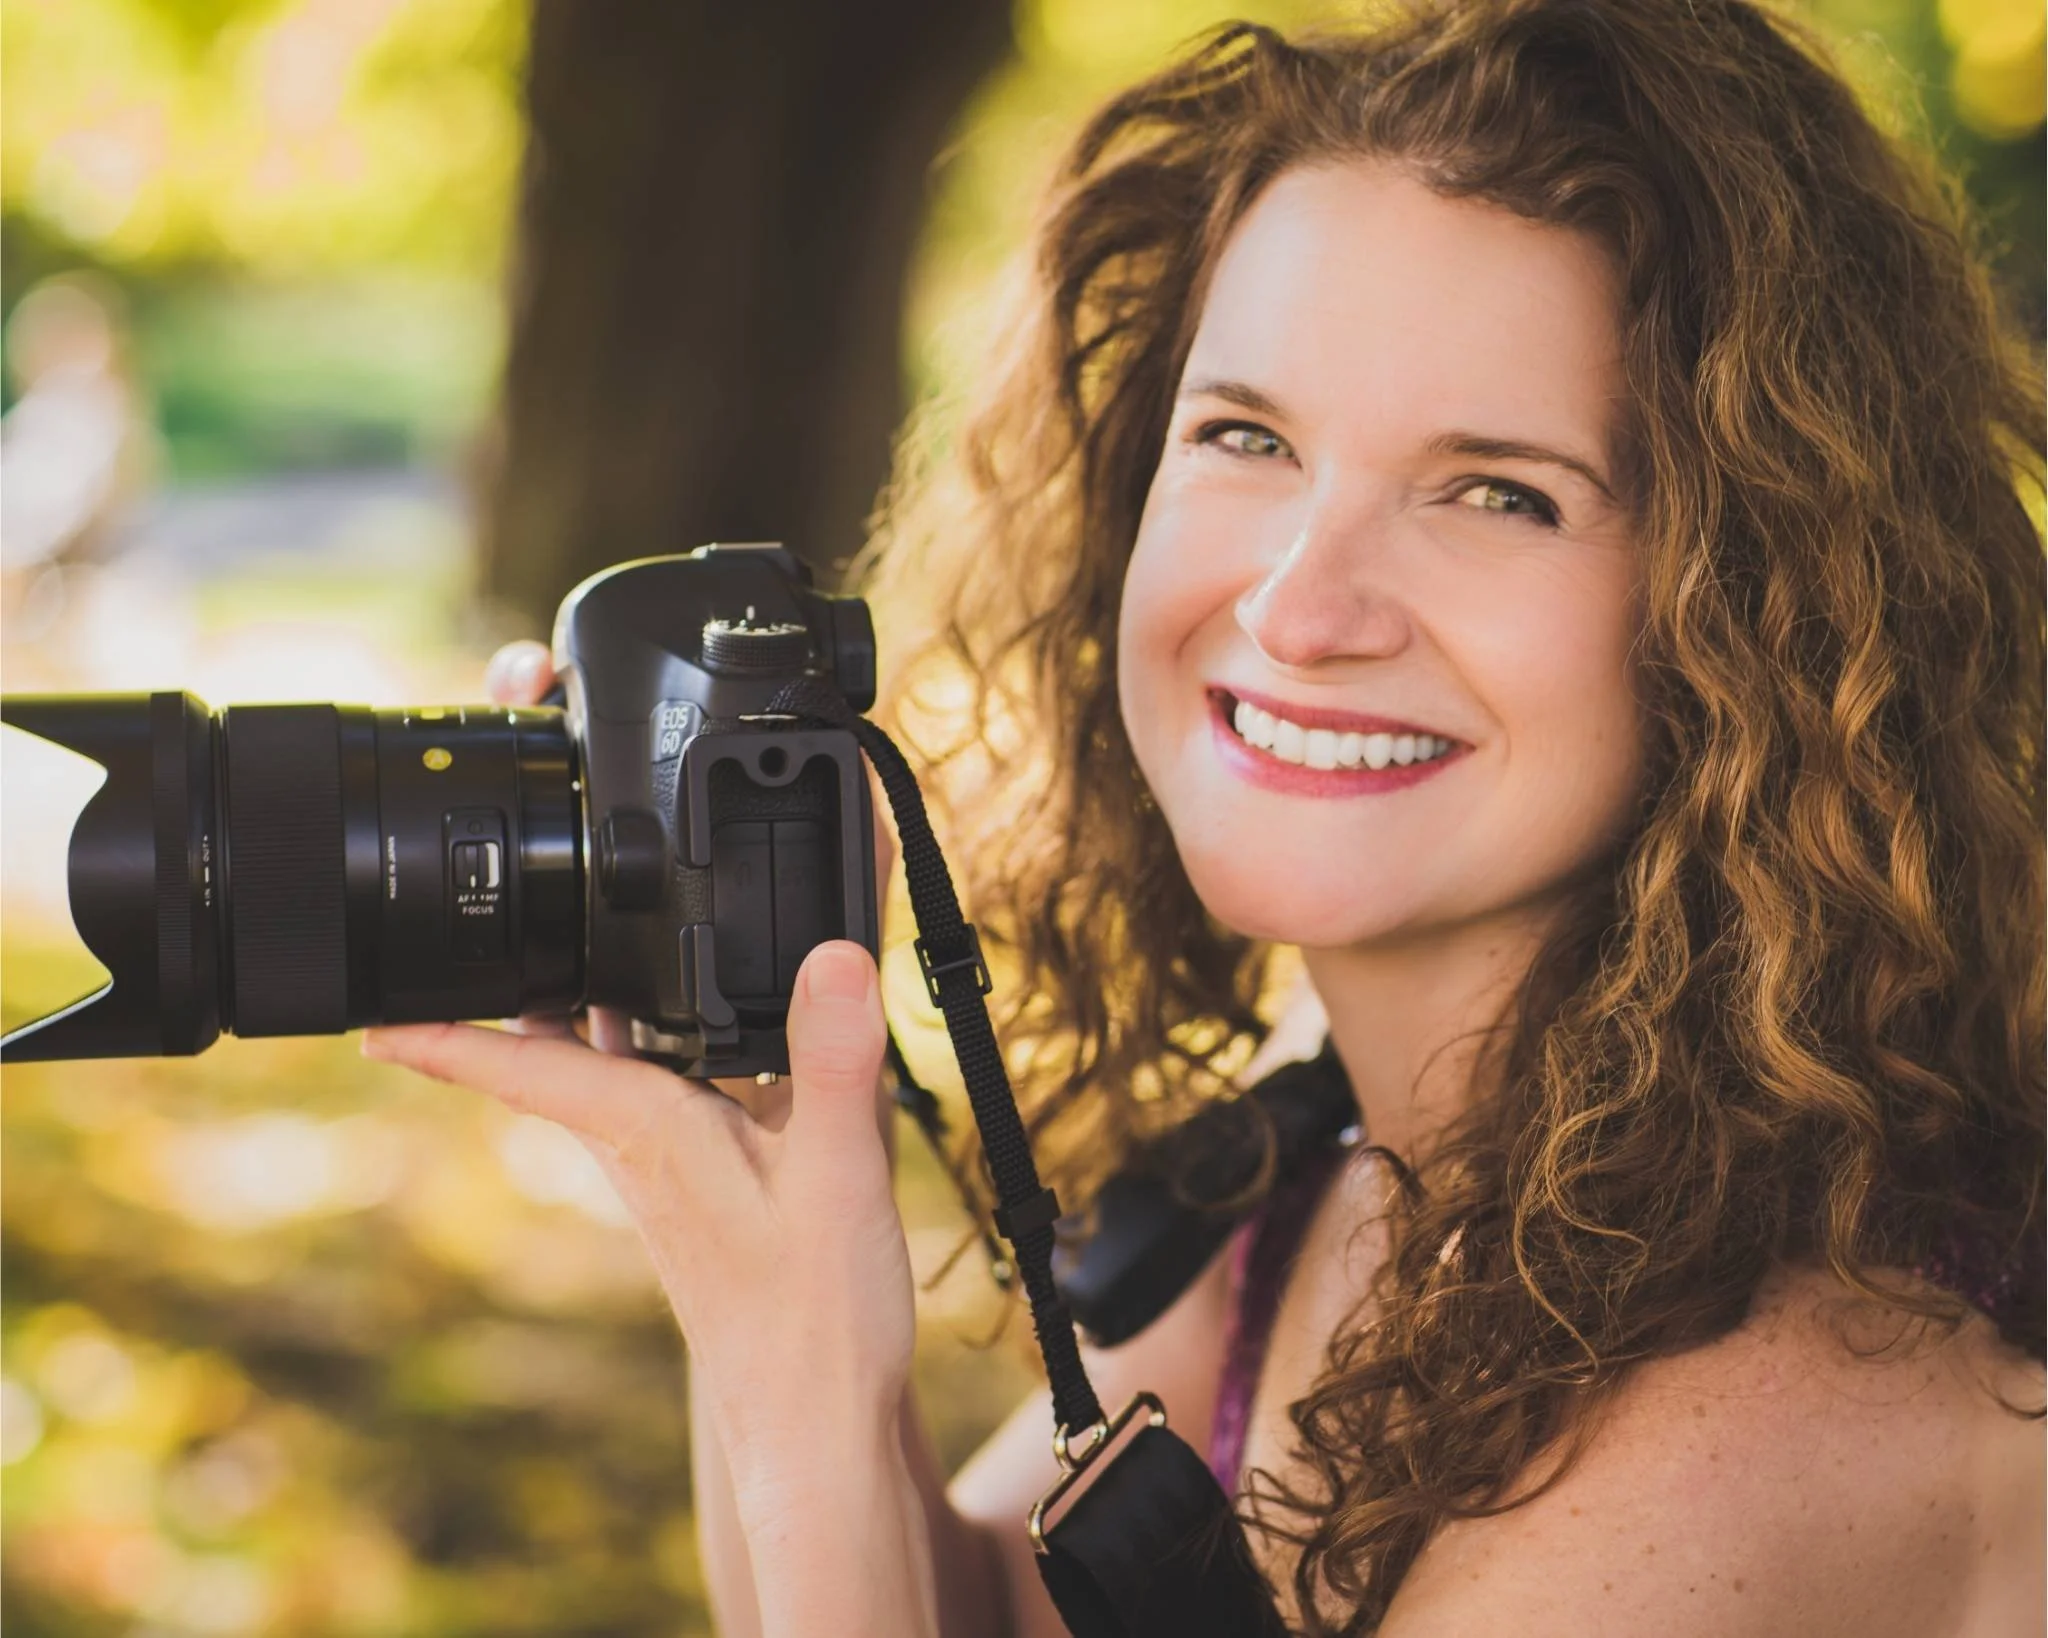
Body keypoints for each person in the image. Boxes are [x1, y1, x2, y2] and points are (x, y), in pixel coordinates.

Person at [362, 0, 2047, 1631]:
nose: (1305, 607)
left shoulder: (1776, 1399)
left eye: (1499, 492)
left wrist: (802, 1392)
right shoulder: (1338, 1178)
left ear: (1764, 608)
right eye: (1246, 435)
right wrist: (744, 1151)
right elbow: (949, 1611)